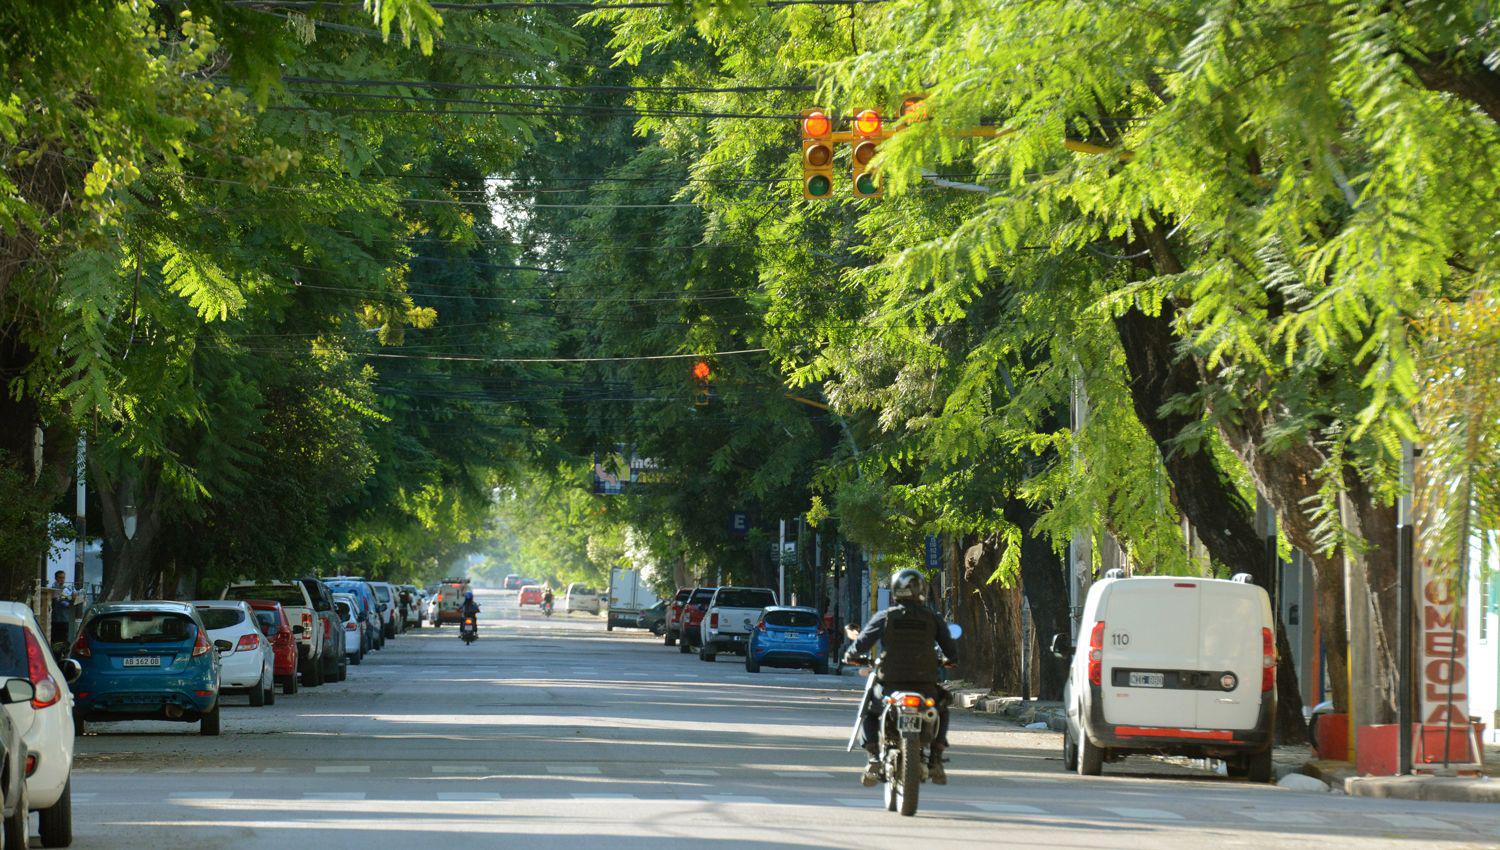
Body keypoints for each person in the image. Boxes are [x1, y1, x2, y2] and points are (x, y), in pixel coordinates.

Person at [843, 568, 959, 786]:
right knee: (941, 707)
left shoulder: (885, 617)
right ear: (921, 590)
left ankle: (874, 757)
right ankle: (936, 757)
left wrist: (851, 655)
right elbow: (951, 653)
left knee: (870, 710)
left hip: (890, 684)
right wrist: (948, 660)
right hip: (925, 685)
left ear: (895, 591)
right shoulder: (932, 618)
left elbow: (861, 645)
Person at [49, 570, 77, 647]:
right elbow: (60, 602)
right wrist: (69, 601)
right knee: (56, 641)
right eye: (60, 578)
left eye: (63, 578)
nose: (62, 580)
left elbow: (73, 598)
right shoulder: (53, 589)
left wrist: (74, 598)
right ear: (56, 578)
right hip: (56, 619)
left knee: (64, 640)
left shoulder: (67, 589)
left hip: (65, 619)